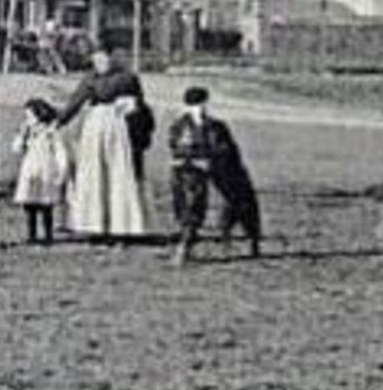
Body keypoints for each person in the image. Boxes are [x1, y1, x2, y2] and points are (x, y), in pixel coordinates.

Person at [58, 47, 152, 242]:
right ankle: (95, 224)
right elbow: (75, 102)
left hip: (119, 128)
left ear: (112, 59)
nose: (101, 64)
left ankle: (122, 225)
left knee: (119, 174)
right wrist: (59, 121)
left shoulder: (127, 78)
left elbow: (141, 104)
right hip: (96, 128)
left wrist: (134, 111)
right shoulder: (90, 79)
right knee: (94, 174)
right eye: (96, 60)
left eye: (104, 59)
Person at [168, 85, 261, 264]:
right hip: (191, 169)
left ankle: (251, 238)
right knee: (192, 203)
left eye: (201, 104)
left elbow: (228, 149)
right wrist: (197, 160)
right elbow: (177, 150)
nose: (199, 108)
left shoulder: (216, 126)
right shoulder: (180, 126)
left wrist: (214, 159)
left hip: (220, 166)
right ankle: (185, 244)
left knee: (241, 195)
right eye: (194, 105)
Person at [12, 98, 71, 245]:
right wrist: (21, 135)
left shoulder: (51, 132)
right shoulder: (28, 133)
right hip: (31, 170)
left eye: (30, 116)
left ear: (40, 116)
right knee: (30, 205)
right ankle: (31, 235)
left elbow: (60, 151)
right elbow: (16, 149)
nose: (27, 120)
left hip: (46, 169)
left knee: (46, 204)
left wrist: (62, 170)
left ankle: (48, 235)